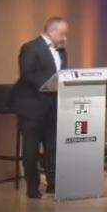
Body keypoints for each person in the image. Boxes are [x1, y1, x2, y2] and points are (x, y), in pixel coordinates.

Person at [12, 17, 69, 199]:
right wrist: (50, 82)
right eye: (62, 34)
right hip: (31, 106)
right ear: (50, 32)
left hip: (52, 106)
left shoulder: (61, 52)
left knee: (52, 146)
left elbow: (62, 73)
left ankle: (53, 184)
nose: (64, 38)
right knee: (31, 148)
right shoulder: (30, 47)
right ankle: (32, 187)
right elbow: (27, 74)